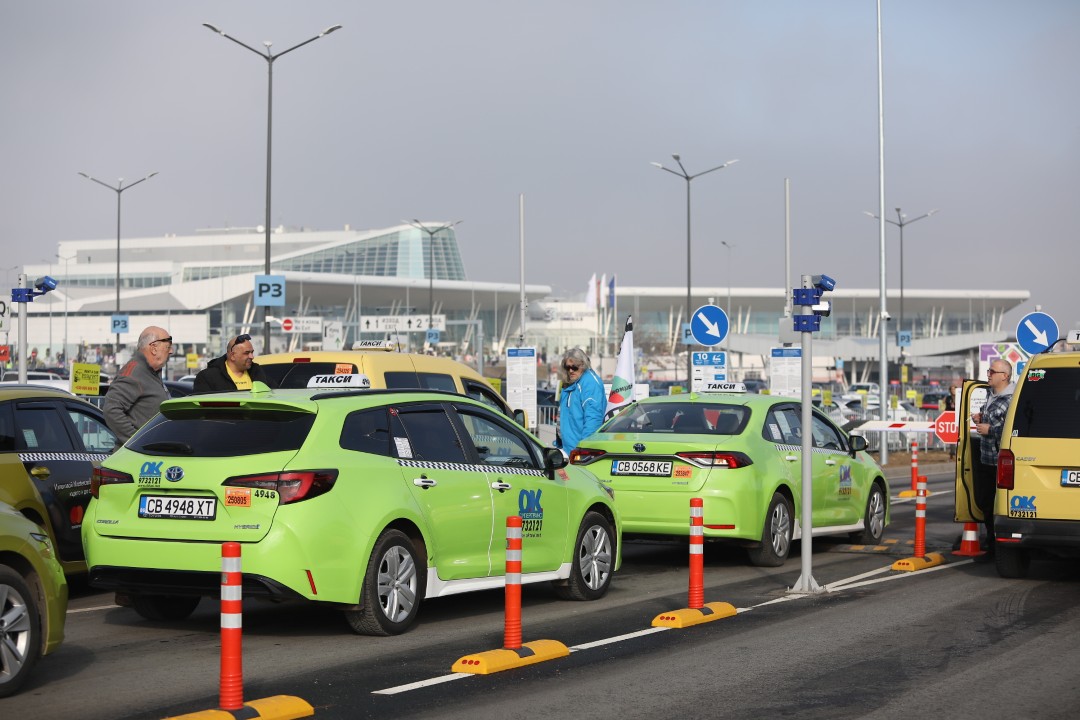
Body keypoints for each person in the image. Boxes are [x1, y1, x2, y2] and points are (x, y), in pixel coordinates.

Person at [971, 359, 1016, 552]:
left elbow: (1013, 429)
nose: (988, 374)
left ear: (1005, 376)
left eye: (992, 371)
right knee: (984, 501)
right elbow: (994, 417)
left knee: (999, 504)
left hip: (1001, 461)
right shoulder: (991, 394)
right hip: (986, 458)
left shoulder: (1013, 399)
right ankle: (991, 537)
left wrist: (990, 429)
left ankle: (996, 542)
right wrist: (981, 418)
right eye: (989, 370)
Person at [103, 326, 171, 446]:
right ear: (154, 348)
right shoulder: (134, 372)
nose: (171, 351)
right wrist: (137, 441)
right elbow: (111, 410)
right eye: (168, 346)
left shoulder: (150, 372)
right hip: (136, 459)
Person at [554, 348, 605, 455]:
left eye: (574, 367)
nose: (571, 371)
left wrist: (583, 450)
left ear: (582, 365)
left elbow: (593, 419)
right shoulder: (570, 382)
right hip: (567, 449)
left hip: (579, 452)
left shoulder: (590, 383)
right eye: (567, 367)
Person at [193, 333, 270, 393]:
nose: (252, 356)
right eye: (246, 353)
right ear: (232, 356)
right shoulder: (208, 377)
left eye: (252, 352)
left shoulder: (257, 372)